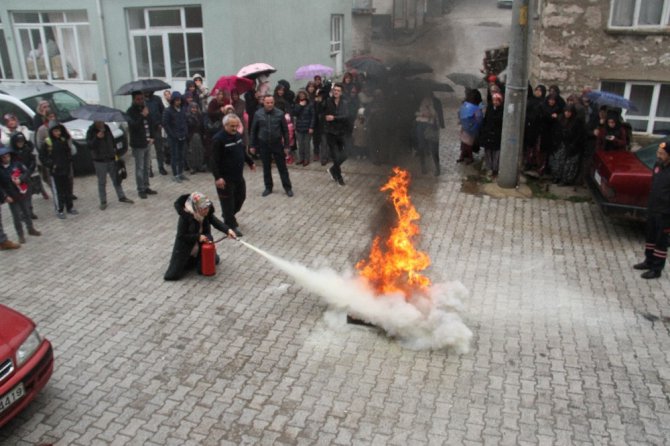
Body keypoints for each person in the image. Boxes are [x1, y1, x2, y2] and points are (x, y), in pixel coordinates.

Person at [164, 191, 237, 281]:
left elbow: (216, 222)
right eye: (204, 208)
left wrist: (227, 230)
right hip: (187, 245)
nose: (206, 210)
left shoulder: (206, 213)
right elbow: (181, 236)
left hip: (201, 242)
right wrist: (198, 237)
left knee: (204, 268)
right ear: (196, 208)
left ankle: (205, 258)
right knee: (174, 275)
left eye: (207, 208)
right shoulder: (185, 218)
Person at [211, 114, 256, 237]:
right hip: (225, 179)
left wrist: (250, 162)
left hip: (238, 176)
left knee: (241, 197)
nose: (235, 128)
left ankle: (228, 215)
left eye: (236, 126)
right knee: (228, 203)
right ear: (225, 125)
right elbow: (213, 160)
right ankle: (230, 225)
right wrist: (217, 177)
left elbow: (242, 151)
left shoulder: (237, 135)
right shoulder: (218, 139)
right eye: (232, 126)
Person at [633, 142, 670, 279]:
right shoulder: (658, 166)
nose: (658, 156)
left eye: (662, 154)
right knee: (650, 236)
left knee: (661, 241)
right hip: (653, 208)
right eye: (658, 153)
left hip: (665, 212)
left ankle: (656, 268)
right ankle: (648, 261)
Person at [249, 95, 293, 197]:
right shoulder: (258, 114)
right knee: (266, 167)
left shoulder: (280, 113)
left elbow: (285, 131)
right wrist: (252, 145)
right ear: (263, 103)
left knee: (282, 167)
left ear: (274, 103)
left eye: (271, 102)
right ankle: (268, 187)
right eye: (267, 103)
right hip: (263, 143)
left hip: (277, 143)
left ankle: (287, 188)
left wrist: (287, 146)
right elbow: (253, 131)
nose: (269, 105)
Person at [86, 121, 134, 210]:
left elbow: (112, 141)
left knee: (116, 178)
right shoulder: (91, 131)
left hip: (111, 158)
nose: (102, 122)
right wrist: (97, 137)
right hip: (99, 160)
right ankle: (103, 201)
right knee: (102, 181)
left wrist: (116, 154)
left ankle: (121, 196)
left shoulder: (106, 128)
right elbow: (89, 145)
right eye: (99, 121)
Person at [0, 145, 41, 243]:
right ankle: (20, 234)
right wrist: (5, 196)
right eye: (4, 157)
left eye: (8, 156)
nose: (6, 158)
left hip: (22, 192)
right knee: (16, 216)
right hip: (11, 196)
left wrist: (21, 179)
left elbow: (26, 173)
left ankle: (30, 228)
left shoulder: (17, 164)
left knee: (26, 212)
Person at [40, 122, 77, 218]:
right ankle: (59, 210)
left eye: (59, 131)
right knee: (58, 192)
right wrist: (51, 165)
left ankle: (70, 207)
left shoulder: (63, 140)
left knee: (68, 190)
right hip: (55, 172)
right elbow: (42, 157)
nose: (58, 133)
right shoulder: (48, 142)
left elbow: (68, 153)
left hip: (65, 169)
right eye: (55, 131)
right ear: (51, 132)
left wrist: (69, 162)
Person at [126, 91, 158, 198]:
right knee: (139, 168)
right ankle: (140, 189)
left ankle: (146, 186)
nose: (140, 101)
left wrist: (153, 136)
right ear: (133, 100)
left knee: (146, 166)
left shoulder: (145, 109)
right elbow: (133, 126)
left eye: (142, 99)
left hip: (147, 141)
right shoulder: (130, 112)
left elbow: (150, 124)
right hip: (138, 144)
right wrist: (142, 116)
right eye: (138, 99)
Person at [550, 104, 585, 185]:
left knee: (569, 164)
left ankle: (565, 180)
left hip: (572, 145)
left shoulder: (577, 122)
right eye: (566, 111)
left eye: (569, 112)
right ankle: (556, 177)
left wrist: (573, 144)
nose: (567, 113)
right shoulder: (561, 119)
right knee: (558, 161)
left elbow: (579, 135)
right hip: (561, 144)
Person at [9, 132, 40, 219]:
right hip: (17, 177)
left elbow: (32, 162)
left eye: (22, 141)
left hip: (27, 175)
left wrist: (28, 172)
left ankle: (29, 212)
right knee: (20, 196)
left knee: (28, 196)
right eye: (18, 141)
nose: (20, 143)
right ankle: (22, 213)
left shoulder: (27, 149)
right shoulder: (12, 153)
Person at [323, 83, 349, 186]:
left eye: (338, 90)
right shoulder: (328, 101)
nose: (336, 92)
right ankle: (339, 177)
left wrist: (334, 118)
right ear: (332, 91)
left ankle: (333, 169)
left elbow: (346, 116)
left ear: (341, 92)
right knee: (334, 155)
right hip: (330, 132)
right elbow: (323, 113)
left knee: (345, 154)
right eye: (335, 90)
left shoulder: (345, 103)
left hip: (341, 132)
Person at [163, 91, 189, 182]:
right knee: (174, 156)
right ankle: (175, 174)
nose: (179, 102)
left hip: (182, 136)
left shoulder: (182, 109)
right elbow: (166, 124)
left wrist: (185, 132)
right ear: (173, 101)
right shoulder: (168, 111)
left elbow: (184, 121)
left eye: (179, 100)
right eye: (177, 100)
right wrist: (173, 135)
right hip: (173, 138)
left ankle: (180, 173)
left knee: (182, 155)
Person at [415, 94, 441, 176]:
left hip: (431, 126)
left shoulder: (435, 101)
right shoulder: (417, 100)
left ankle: (437, 168)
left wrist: (429, 109)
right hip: (420, 125)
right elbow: (414, 112)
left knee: (434, 148)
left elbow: (435, 114)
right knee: (421, 147)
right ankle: (423, 167)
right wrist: (421, 114)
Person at [479, 92, 504, 177]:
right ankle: (489, 168)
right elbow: (486, 120)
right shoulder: (490, 108)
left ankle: (495, 169)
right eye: (494, 100)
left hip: (497, 135)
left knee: (496, 153)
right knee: (488, 152)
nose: (495, 102)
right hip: (488, 134)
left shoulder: (502, 110)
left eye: (497, 101)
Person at [457, 89, 484, 164]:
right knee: (464, 143)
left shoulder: (475, 106)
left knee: (468, 143)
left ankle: (469, 157)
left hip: (470, 128)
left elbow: (479, 118)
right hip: (468, 127)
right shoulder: (471, 105)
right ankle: (463, 155)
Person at [144, 91, 167, 175]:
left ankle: (161, 167)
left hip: (157, 127)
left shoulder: (157, 99)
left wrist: (161, 123)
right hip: (146, 129)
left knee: (159, 149)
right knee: (148, 150)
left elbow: (163, 111)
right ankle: (149, 169)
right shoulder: (141, 101)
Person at [293, 90, 315, 166]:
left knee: (306, 144)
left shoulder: (310, 104)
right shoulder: (296, 104)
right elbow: (295, 113)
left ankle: (306, 159)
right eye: (300, 95)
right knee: (300, 144)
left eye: (303, 94)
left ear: (306, 95)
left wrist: (311, 127)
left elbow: (313, 116)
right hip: (299, 127)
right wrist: (300, 106)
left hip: (308, 127)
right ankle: (301, 158)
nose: (301, 96)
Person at [186, 102, 206, 174]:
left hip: (199, 135)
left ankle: (199, 166)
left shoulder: (200, 116)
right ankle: (192, 167)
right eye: (192, 108)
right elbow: (187, 127)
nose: (194, 109)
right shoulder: (187, 116)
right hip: (191, 136)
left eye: (195, 108)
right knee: (192, 152)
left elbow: (203, 126)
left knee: (200, 150)